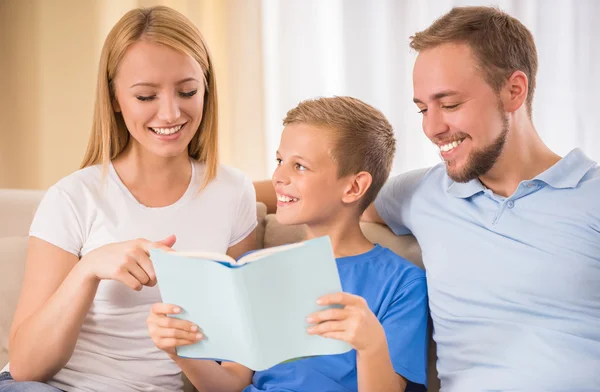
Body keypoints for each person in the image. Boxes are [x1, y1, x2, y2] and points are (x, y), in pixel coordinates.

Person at [1, 6, 256, 392]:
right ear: (115, 99)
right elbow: (25, 366)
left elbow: (236, 351)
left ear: (206, 88)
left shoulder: (233, 194)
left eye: (187, 91)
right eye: (146, 95)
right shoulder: (74, 197)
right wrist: (89, 269)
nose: (170, 112)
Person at [359, 6, 600, 391]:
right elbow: (336, 191)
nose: (432, 127)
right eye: (423, 109)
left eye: (450, 104)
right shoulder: (422, 193)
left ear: (513, 91)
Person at [147, 96, 430, 392]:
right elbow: (229, 383)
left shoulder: (403, 283)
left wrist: (371, 345)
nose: (279, 177)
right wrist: (179, 352)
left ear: (354, 186)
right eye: (280, 161)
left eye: (300, 166)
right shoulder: (259, 269)